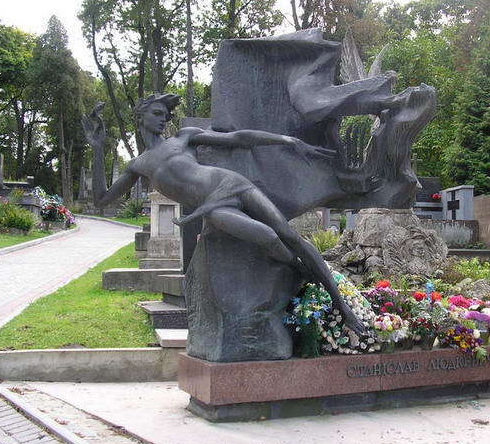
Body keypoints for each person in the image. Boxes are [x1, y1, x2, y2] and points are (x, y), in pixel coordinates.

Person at [82, 94, 365, 334]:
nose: (163, 120)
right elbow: (102, 199)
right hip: (214, 207)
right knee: (267, 236)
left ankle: (343, 308)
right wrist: (96, 149)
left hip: (232, 183)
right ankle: (302, 271)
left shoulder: (183, 137)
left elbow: (237, 138)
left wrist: (287, 140)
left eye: (166, 116)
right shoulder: (138, 165)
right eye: (157, 114)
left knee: (290, 236)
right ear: (140, 117)